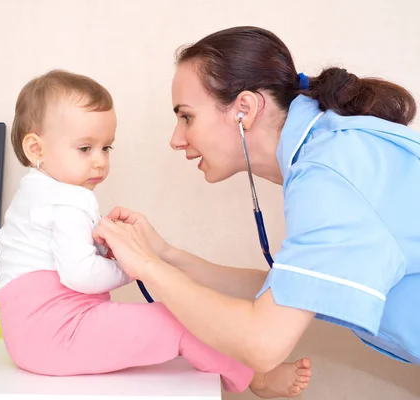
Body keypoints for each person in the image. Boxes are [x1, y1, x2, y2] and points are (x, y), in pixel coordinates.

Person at [94, 25, 420, 371]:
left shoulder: (328, 175)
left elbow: (262, 342)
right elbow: (283, 291)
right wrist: (164, 254)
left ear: (244, 109)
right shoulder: (331, 149)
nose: (176, 139)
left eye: (186, 116)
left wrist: (148, 267)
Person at [0, 69, 312, 398]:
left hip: (30, 338)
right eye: (85, 148)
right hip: (57, 332)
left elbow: (59, 263)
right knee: (178, 318)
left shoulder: (34, 193)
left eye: (107, 148)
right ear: (36, 148)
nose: (100, 161)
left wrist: (111, 250)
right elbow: (80, 275)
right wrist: (131, 266)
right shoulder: (70, 199)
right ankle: (255, 378)